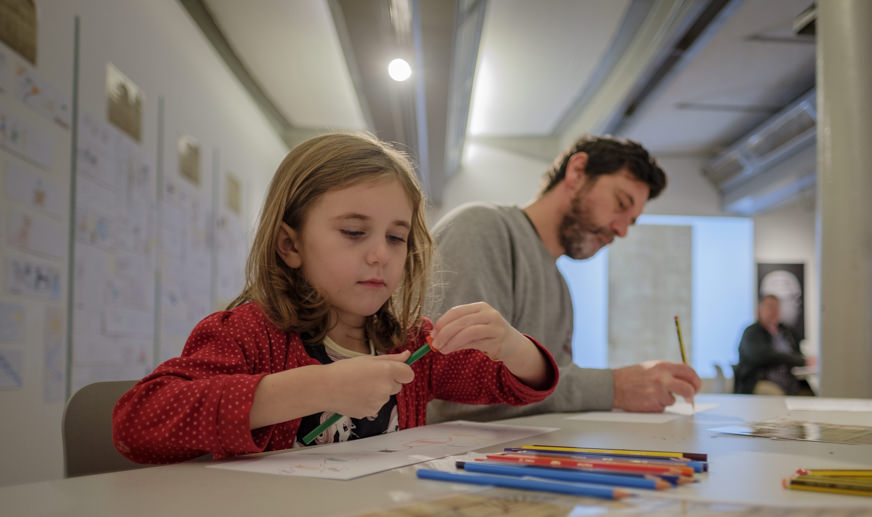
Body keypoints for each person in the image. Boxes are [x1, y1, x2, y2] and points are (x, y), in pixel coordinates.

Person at [112, 132, 558, 464]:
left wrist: (512, 346)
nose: (380, 254)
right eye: (353, 232)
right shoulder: (250, 333)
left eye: (397, 237)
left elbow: (512, 385)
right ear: (290, 245)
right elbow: (137, 424)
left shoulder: (411, 341)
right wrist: (317, 387)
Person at [427, 134, 701, 422]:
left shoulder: (561, 290)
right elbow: (456, 394)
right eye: (621, 203)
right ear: (577, 171)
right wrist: (614, 387)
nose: (622, 230)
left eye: (631, 221)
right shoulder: (481, 226)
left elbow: (547, 397)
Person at [733, 294, 812, 395]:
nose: (774, 311)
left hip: (790, 381)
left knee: (810, 395)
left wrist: (805, 361)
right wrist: (797, 360)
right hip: (760, 381)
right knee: (774, 394)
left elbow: (797, 353)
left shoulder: (786, 332)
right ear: (760, 310)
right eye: (770, 307)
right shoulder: (752, 332)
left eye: (777, 307)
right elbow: (762, 355)